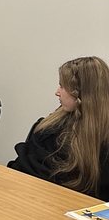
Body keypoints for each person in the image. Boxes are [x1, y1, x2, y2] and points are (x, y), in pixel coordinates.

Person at [8, 56, 109, 197]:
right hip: (31, 196)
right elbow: (23, 166)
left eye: (63, 87)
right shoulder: (51, 126)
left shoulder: (102, 143)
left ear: (82, 93)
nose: (57, 92)